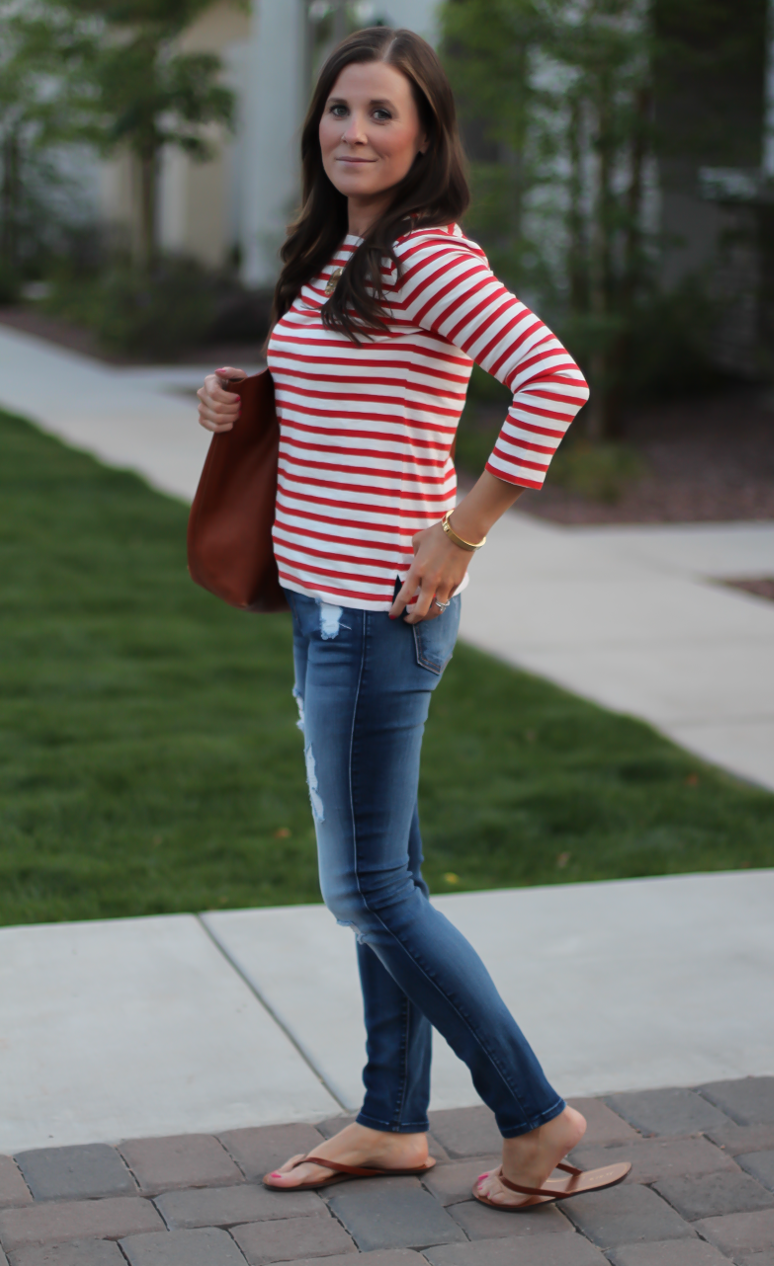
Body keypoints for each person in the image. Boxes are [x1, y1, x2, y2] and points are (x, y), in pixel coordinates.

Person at [197, 25, 628, 1211]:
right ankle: (392, 1119)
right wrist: (240, 398)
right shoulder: (343, 251)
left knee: (367, 890)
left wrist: (465, 526)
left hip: (376, 615)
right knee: (388, 876)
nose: (354, 133)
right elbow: (361, 398)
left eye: (382, 113)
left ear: (427, 132)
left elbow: (554, 379)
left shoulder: (426, 259)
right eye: (339, 110)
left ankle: (535, 1118)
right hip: (327, 606)